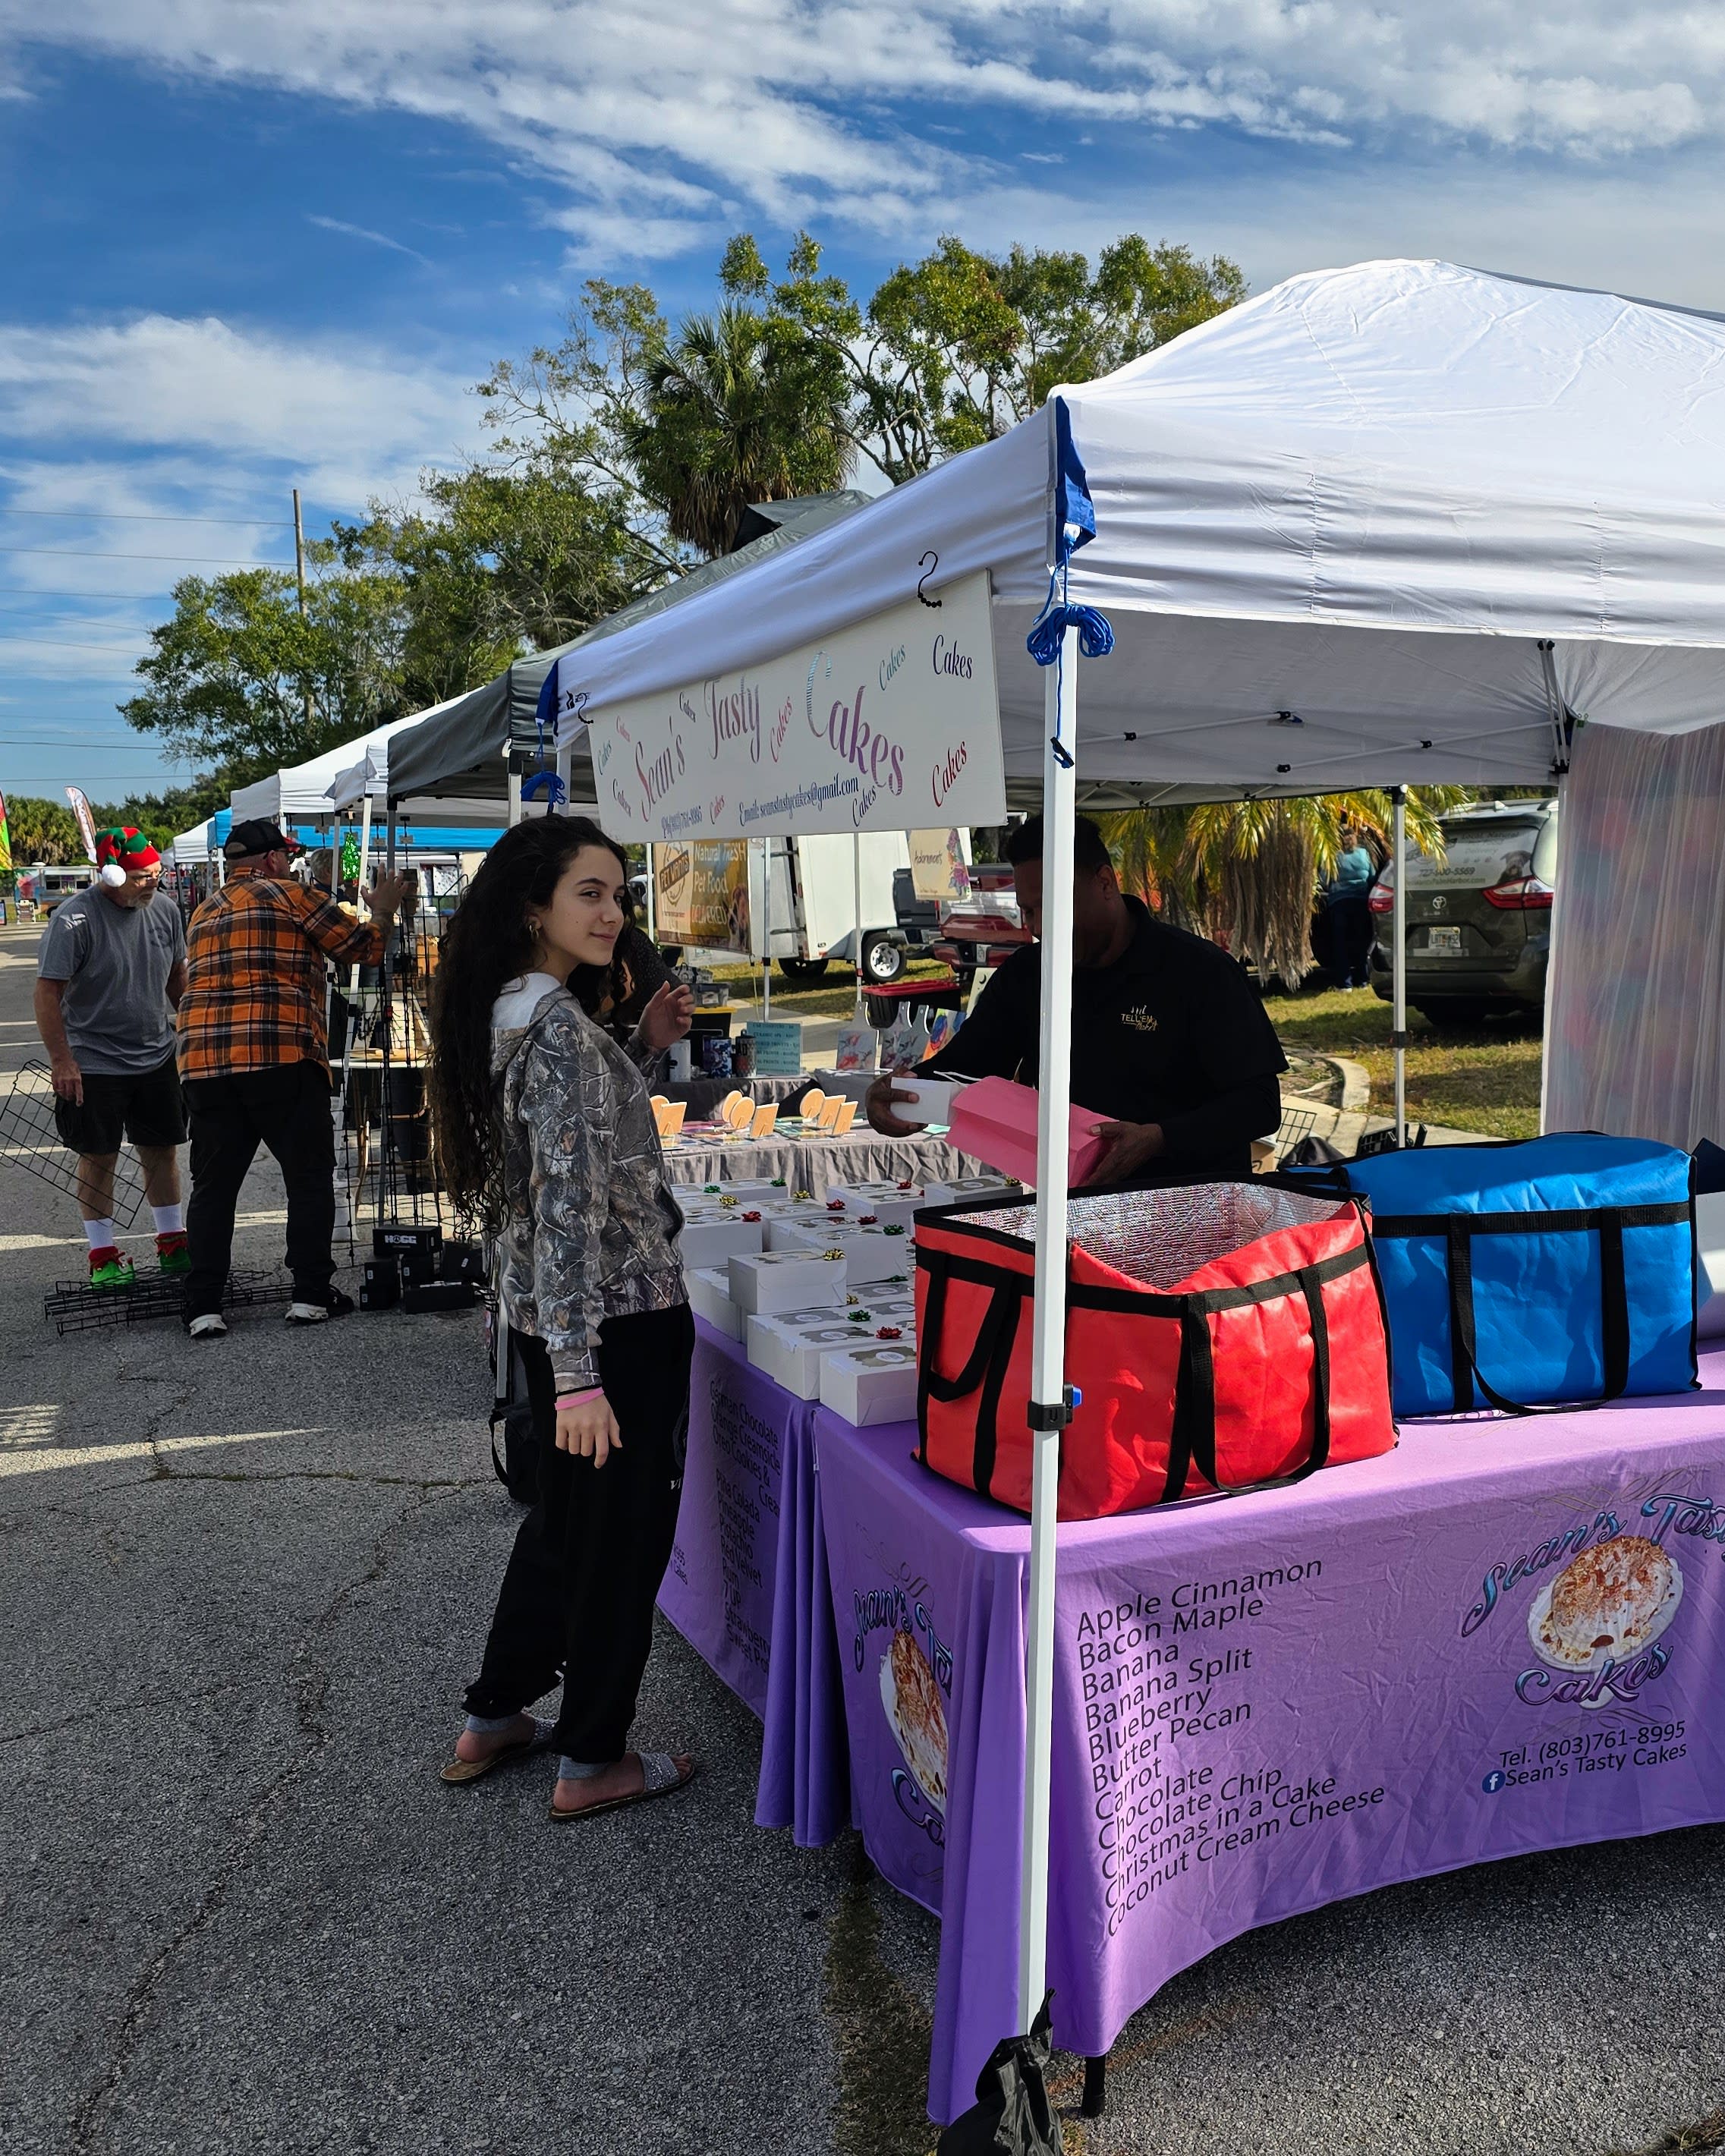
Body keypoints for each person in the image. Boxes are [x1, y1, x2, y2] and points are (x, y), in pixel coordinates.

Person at [428, 815, 698, 1823]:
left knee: (564, 1524)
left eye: (619, 895)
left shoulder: (513, 1011)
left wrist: (641, 1048)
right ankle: (592, 1759)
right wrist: (581, 1375)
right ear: (532, 906)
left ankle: (495, 1713)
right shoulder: (556, 1033)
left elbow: (569, 1144)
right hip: (614, 1330)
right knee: (616, 1543)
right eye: (590, 892)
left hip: (558, 1322)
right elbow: (567, 1211)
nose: (612, 912)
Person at [867, 814, 1287, 1185]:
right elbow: (968, 1063)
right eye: (1028, 912)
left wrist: (1159, 1138)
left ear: (1105, 883)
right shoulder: (1028, 975)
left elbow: (1260, 1104)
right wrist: (903, 1091)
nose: (1036, 928)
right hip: (1075, 1213)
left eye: (1049, 908)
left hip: (1194, 1211)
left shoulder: (1198, 971)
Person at [175, 817, 413, 1337]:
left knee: (213, 1188)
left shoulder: (204, 910)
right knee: (308, 1178)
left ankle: (203, 1305)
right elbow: (364, 948)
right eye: (285, 855)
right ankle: (309, 1294)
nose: (288, 861)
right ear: (271, 859)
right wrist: (384, 910)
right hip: (280, 1051)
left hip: (204, 1062)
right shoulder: (292, 895)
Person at [33, 826, 189, 1289]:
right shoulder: (74, 919)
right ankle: (103, 1256)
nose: (153, 884)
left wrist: (193, 1027)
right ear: (111, 875)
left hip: (156, 1055)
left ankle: (172, 1243)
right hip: (94, 1061)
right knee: (98, 1155)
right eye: (142, 877)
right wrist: (62, 1060)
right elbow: (47, 993)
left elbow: (175, 976)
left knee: (161, 1149)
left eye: (157, 874)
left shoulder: (164, 909)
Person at [1323, 824, 1378, 990]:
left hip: (1339, 903)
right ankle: (1363, 980)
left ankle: (1345, 984)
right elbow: (1372, 876)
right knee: (1361, 941)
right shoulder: (1364, 854)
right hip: (1361, 902)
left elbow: (1324, 880)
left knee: (1340, 944)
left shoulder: (1332, 856)